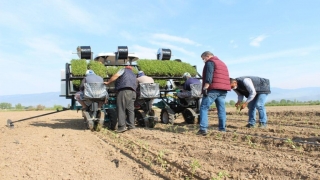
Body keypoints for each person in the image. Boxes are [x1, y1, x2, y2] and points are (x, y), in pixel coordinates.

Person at [197, 51, 231, 135]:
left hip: (213, 89)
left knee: (204, 107)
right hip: (223, 90)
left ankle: (203, 129)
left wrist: (205, 86)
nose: (204, 61)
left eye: (203, 58)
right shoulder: (222, 63)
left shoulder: (210, 62)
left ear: (207, 56)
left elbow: (209, 74)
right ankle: (222, 129)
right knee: (221, 109)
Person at [104, 66, 137, 133]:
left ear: (126, 68)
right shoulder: (133, 74)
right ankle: (131, 125)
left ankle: (122, 127)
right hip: (133, 92)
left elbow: (116, 76)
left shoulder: (123, 70)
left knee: (121, 108)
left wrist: (108, 82)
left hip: (124, 91)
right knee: (130, 109)